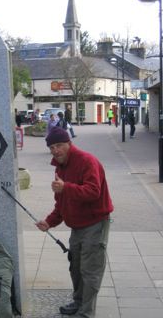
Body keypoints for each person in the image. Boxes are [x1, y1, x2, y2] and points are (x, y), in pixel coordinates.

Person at [36, 126, 113, 318]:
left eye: (59, 145)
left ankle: (86, 312)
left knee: (90, 269)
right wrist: (49, 222)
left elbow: (93, 191)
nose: (55, 150)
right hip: (77, 226)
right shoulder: (60, 167)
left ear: (69, 144)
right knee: (76, 268)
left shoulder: (87, 161)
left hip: (95, 223)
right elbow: (61, 202)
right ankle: (78, 303)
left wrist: (66, 188)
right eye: (52, 147)